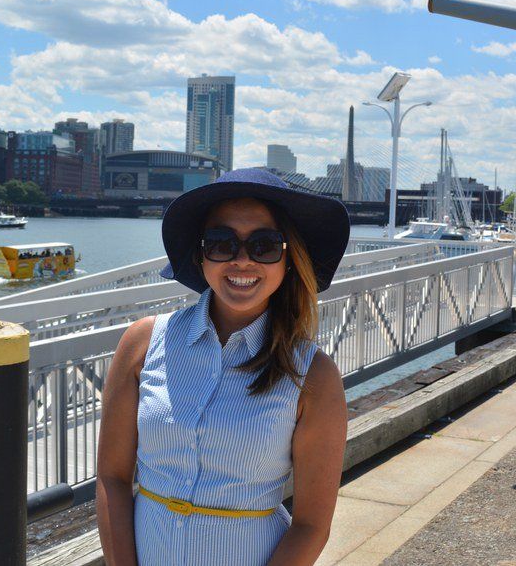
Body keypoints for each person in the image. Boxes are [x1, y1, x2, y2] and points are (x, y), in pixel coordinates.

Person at [96, 168, 350, 566]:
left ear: (288, 258)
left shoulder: (312, 375)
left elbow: (311, 524)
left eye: (264, 245)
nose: (242, 261)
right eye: (221, 243)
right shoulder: (142, 344)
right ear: (201, 254)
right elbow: (112, 477)